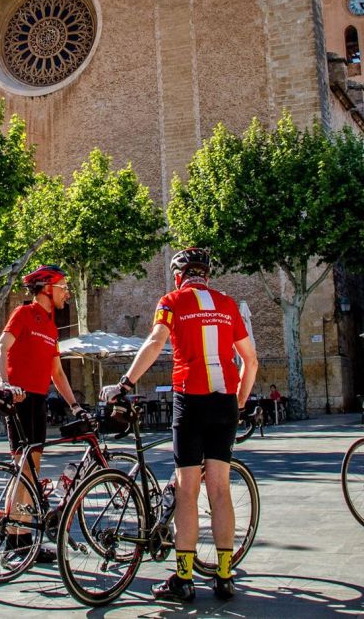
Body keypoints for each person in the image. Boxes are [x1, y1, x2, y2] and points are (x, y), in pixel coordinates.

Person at [103, 247, 259, 602]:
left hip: (190, 399)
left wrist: (125, 383)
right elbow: (251, 361)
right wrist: (239, 401)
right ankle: (223, 575)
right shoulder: (227, 304)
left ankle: (184, 578)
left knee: (188, 489)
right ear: (207, 275)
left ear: (179, 275)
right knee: (219, 489)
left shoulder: (172, 300)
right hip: (224, 402)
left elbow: (156, 341)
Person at [0, 264, 84, 568]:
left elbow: (57, 371)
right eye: (62, 286)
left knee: (31, 469)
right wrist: (5, 385)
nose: (67, 292)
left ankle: (23, 538)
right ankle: (16, 540)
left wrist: (75, 406)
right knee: (25, 468)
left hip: (39, 400)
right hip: (20, 398)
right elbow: (0, 349)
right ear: (47, 289)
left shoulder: (51, 326)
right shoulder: (23, 314)